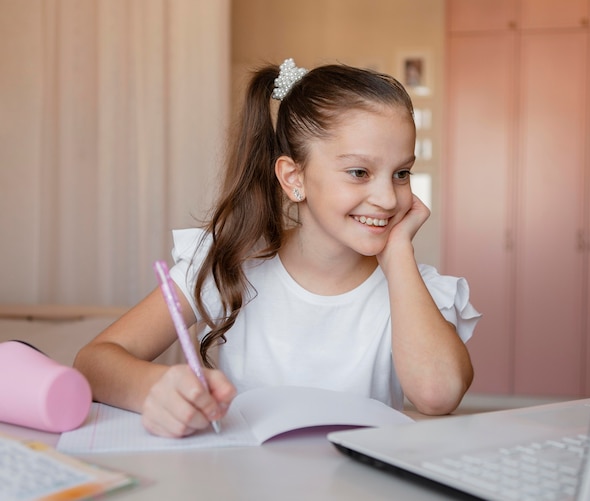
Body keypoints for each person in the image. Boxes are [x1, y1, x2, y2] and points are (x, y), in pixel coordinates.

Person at [74, 58, 481, 439]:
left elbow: (439, 393)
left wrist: (397, 257)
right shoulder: (227, 263)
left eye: (401, 174)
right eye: (359, 172)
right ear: (293, 178)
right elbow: (93, 362)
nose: (389, 199)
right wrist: (153, 388)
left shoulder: (410, 287)